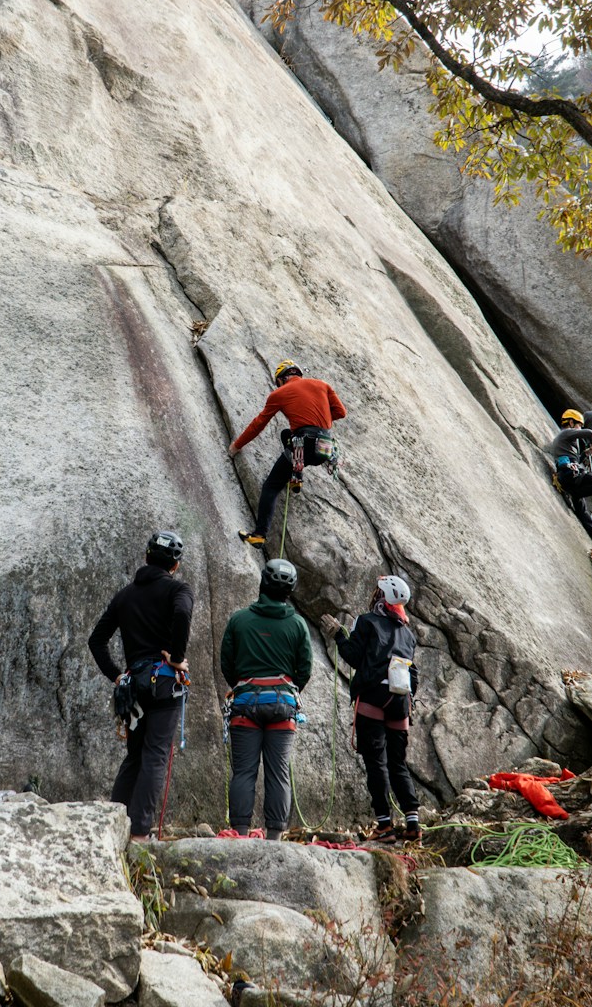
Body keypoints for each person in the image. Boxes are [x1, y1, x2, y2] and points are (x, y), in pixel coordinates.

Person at [89, 530, 194, 842]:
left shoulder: (126, 595)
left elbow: (96, 641)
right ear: (174, 565)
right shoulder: (179, 590)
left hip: (134, 685)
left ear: (147, 556)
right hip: (164, 683)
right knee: (156, 754)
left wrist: (118, 675)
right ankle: (138, 834)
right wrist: (176, 657)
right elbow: (183, 613)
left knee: (135, 755)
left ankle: (113, 823)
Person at [219, 558, 314, 840]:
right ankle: (274, 836)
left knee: (244, 772)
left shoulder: (239, 619)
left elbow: (227, 664)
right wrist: (285, 689)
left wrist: (244, 684)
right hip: (282, 705)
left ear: (262, 583)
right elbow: (304, 670)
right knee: (278, 772)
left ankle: (240, 831)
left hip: (245, 704)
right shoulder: (298, 625)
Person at [323, 575, 422, 842]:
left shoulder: (366, 622)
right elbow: (414, 674)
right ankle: (413, 823)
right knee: (397, 762)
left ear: (381, 597)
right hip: (400, 700)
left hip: (373, 696)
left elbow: (354, 656)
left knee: (376, 762)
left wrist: (339, 636)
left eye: (376, 591)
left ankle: (385, 825)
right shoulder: (408, 633)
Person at [229, 359, 347, 547]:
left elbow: (259, 424)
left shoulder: (280, 393)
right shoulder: (323, 385)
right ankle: (296, 476)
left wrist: (236, 446)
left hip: (303, 443)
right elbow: (341, 412)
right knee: (287, 434)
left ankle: (259, 535)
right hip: (325, 447)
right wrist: (317, 421)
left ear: (282, 379)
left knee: (272, 486)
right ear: (298, 374)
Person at [547, 409, 592, 546]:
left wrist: (587, 453)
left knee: (581, 511)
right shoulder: (566, 433)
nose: (579, 428)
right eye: (578, 425)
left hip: (567, 475)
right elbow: (589, 432)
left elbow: (575, 459)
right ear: (571, 422)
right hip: (572, 474)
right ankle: (574, 494)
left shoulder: (565, 441)